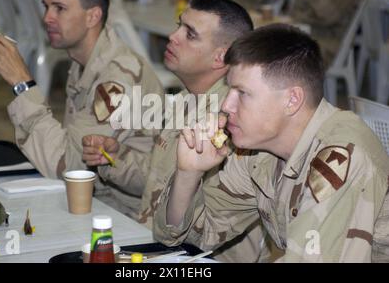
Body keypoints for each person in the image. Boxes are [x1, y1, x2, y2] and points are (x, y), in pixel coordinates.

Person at [153, 23, 389, 262]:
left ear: (292, 100)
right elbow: (192, 237)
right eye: (229, 91)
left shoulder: (341, 159)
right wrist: (188, 174)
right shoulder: (258, 150)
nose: (226, 105)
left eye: (241, 93)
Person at [82, 0, 268, 262]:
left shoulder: (229, 123)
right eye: (178, 25)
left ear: (221, 57)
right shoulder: (185, 99)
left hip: (196, 258)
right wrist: (114, 159)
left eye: (190, 34)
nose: (172, 36)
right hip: (154, 245)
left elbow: (198, 228)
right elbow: (158, 184)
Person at [0, 0, 163, 213]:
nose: (47, 18)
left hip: (128, 215)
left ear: (92, 17)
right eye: (46, 7)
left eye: (60, 8)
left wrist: (23, 84)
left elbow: (71, 167)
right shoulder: (84, 61)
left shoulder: (117, 80)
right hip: (98, 200)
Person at [290, 0, 364, 66]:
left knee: (282, 50)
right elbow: (298, 7)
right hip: (311, 32)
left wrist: (306, 10)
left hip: (331, 43)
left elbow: (326, 16)